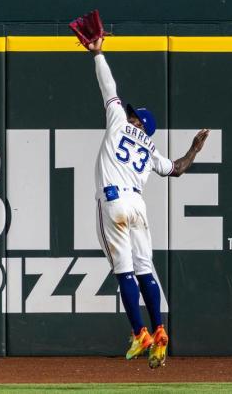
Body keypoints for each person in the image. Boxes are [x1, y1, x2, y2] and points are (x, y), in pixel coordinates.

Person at [88, 37, 210, 368]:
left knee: (124, 272)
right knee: (145, 271)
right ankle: (159, 332)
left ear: (139, 123)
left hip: (113, 201)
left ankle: (140, 332)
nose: (128, 116)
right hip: (138, 208)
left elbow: (108, 87)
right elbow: (178, 169)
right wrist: (195, 148)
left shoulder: (118, 123)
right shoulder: (151, 150)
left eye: (133, 116)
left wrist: (98, 53)